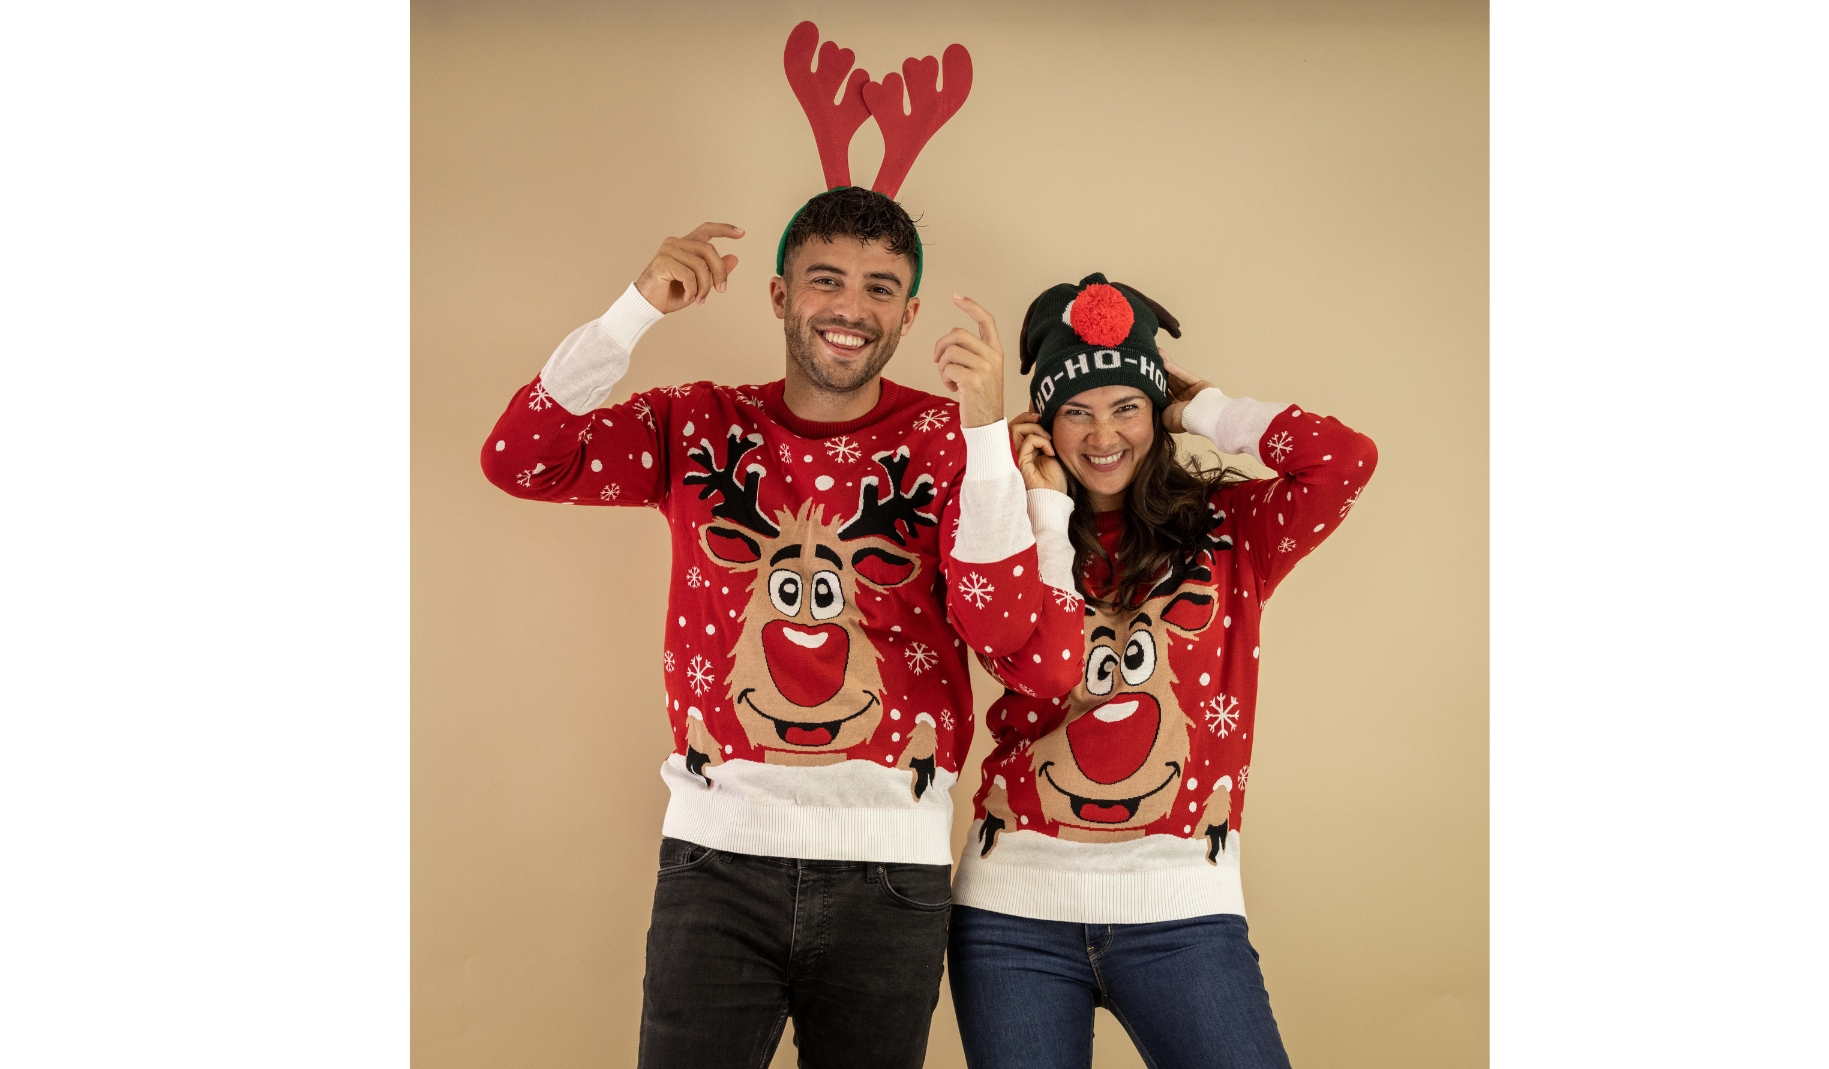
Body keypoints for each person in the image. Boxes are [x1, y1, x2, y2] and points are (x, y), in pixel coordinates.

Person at [478, 188, 1082, 1069]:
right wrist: (636, 307)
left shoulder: (948, 442)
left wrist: (987, 434)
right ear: (778, 295)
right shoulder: (696, 423)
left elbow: (1007, 641)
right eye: (826, 280)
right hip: (715, 864)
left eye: (881, 288)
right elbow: (522, 456)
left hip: (891, 877)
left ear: (910, 314)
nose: (850, 308)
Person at [945, 273, 1379, 1068]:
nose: (1102, 433)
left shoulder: (1230, 534)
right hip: (1014, 913)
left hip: (1184, 910)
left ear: (1155, 413)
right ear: (1046, 421)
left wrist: (1203, 406)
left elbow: (1343, 461)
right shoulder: (993, 517)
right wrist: (1040, 505)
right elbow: (1041, 668)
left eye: (1127, 406)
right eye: (1076, 409)